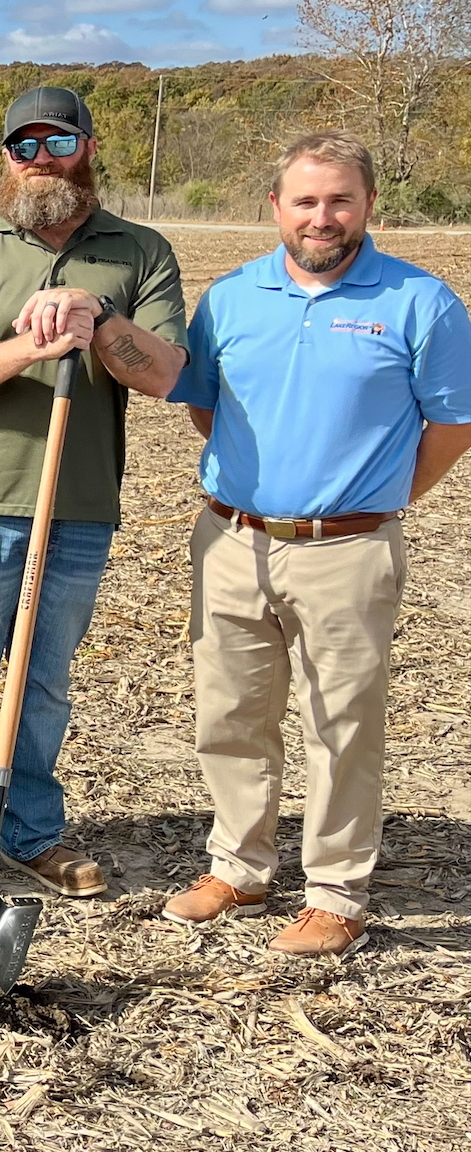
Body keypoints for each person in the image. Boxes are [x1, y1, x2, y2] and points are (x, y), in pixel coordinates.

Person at [162, 132, 471, 956]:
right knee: (230, 712)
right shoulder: (230, 299)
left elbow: (452, 423)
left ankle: (336, 891)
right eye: (305, 200)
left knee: (341, 723)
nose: (322, 217)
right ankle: (240, 864)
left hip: (351, 550)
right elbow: (209, 407)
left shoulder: (422, 302)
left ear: (369, 204)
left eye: (340, 200)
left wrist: (381, 499)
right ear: (275, 207)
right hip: (233, 538)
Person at [0, 84, 189, 903]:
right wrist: (26, 349)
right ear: (4, 159)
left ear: (88, 149)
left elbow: (168, 376)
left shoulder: (137, 251)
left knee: (46, 676)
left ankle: (29, 832)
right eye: (22, 147)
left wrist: (98, 320)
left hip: (80, 502)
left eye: (56, 144)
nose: (38, 162)